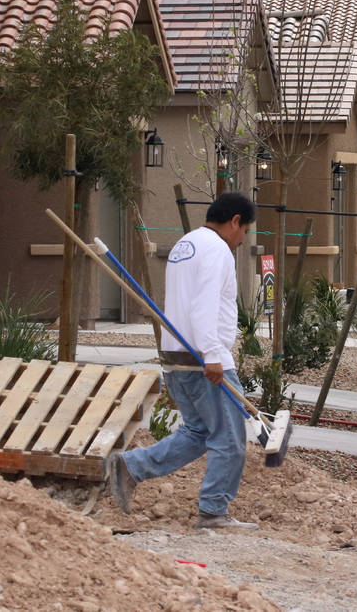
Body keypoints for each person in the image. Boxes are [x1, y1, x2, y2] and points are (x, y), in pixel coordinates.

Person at [106, 192, 258, 530]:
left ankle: (131, 466)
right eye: (244, 230)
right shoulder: (218, 249)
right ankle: (214, 511)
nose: (242, 239)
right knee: (230, 439)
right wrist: (214, 355)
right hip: (205, 357)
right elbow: (204, 305)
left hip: (176, 354)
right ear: (235, 221)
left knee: (200, 432)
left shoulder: (185, 244)